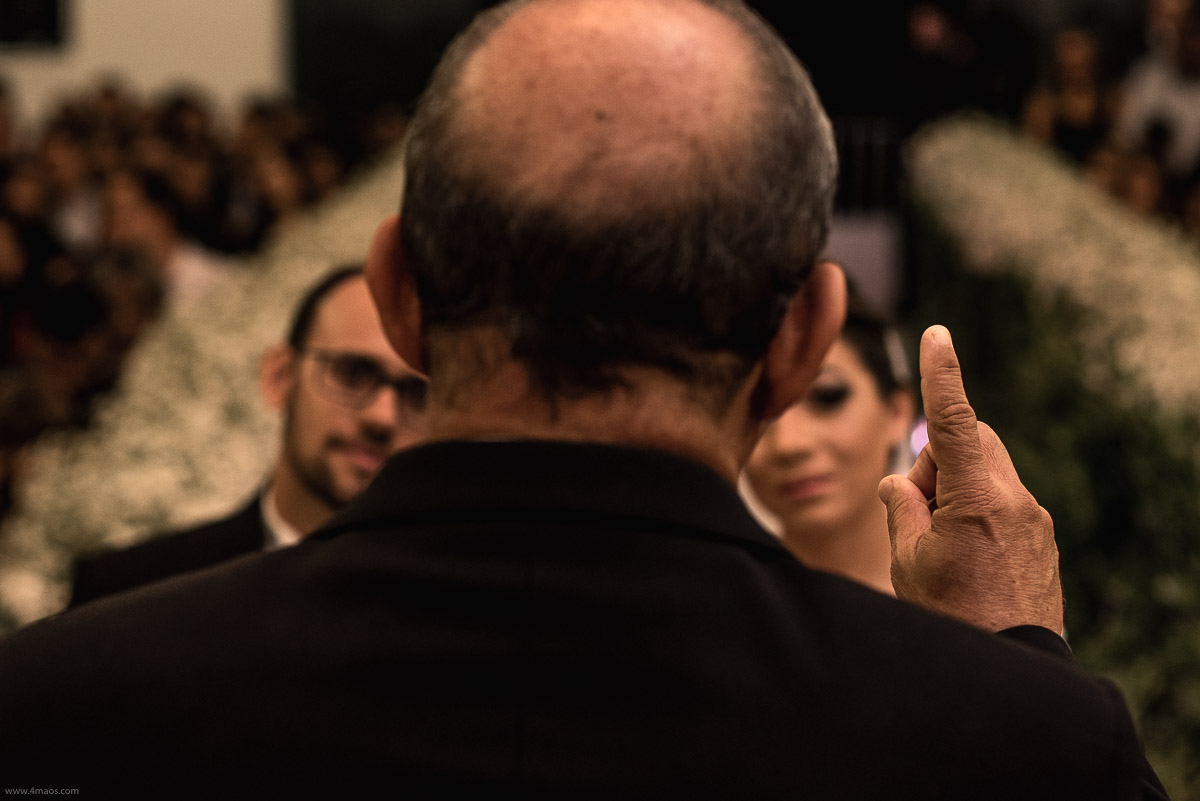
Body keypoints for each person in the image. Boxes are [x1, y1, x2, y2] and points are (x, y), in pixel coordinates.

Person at [0, 1, 1167, 796]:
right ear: (801, 342)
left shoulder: (60, 712)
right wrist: (1018, 669)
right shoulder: (1009, 749)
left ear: (397, 298)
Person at [69, 265, 427, 606]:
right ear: (280, 377)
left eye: (418, 395)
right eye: (353, 373)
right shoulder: (127, 592)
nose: (382, 417)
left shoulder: (450, 617)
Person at [742, 288, 914, 595]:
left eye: (827, 396)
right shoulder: (720, 606)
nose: (787, 444)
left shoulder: (971, 601)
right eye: (759, 412)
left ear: (897, 411)